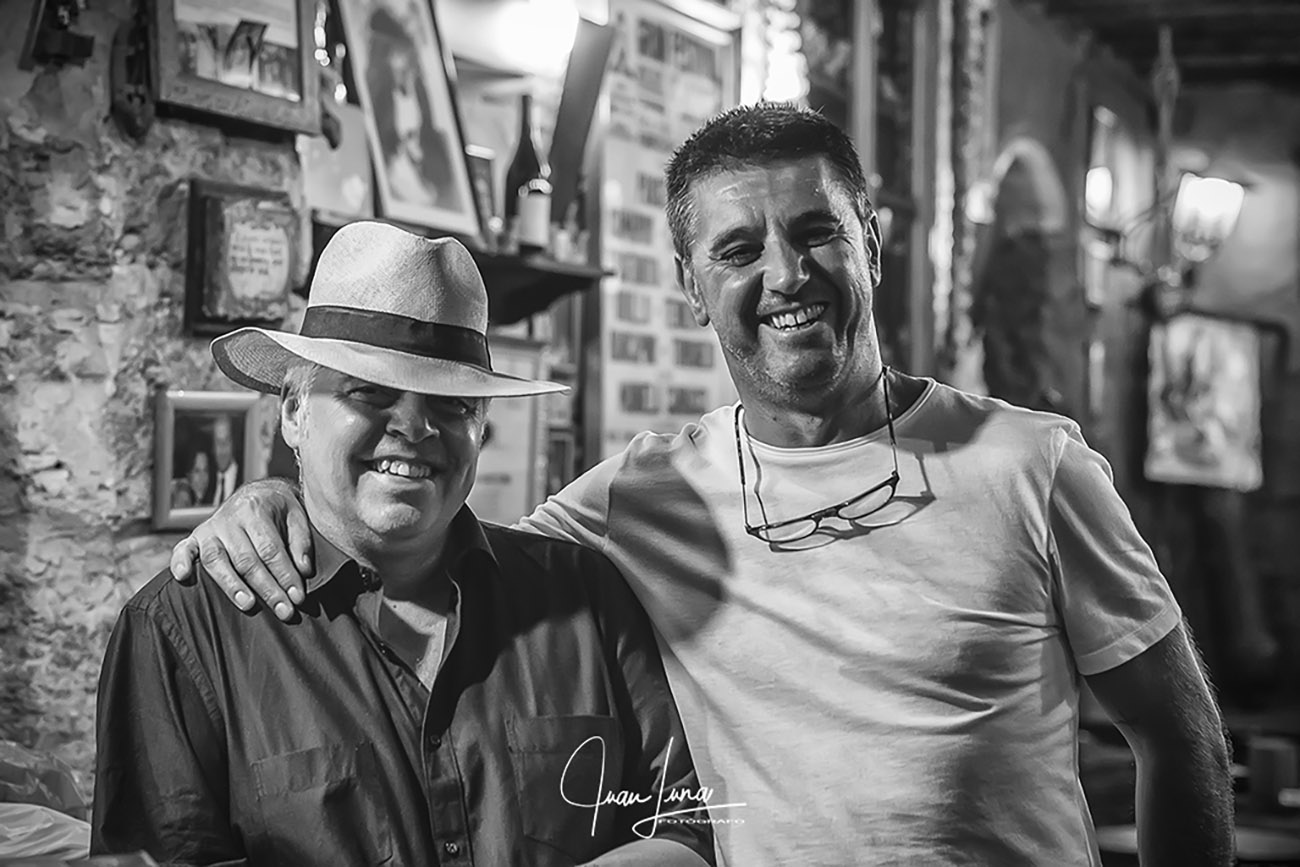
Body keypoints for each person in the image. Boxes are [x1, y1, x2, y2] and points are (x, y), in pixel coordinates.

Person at [169, 104, 1234, 866]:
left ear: (872, 240)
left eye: (817, 230)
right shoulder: (638, 496)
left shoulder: (1032, 464)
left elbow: (1176, 731)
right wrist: (275, 501)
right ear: (691, 286)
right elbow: (429, 530)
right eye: (738, 249)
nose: (787, 274)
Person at [95, 222, 715, 867]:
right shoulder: (185, 629)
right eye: (370, 392)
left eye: (452, 404)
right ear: (293, 411)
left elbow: (686, 830)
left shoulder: (582, 593)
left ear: (481, 426)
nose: (415, 428)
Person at [209, 414, 240, 506]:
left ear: (234, 443)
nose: (222, 448)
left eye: (227, 441)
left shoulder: (246, 478)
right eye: (218, 442)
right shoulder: (207, 479)